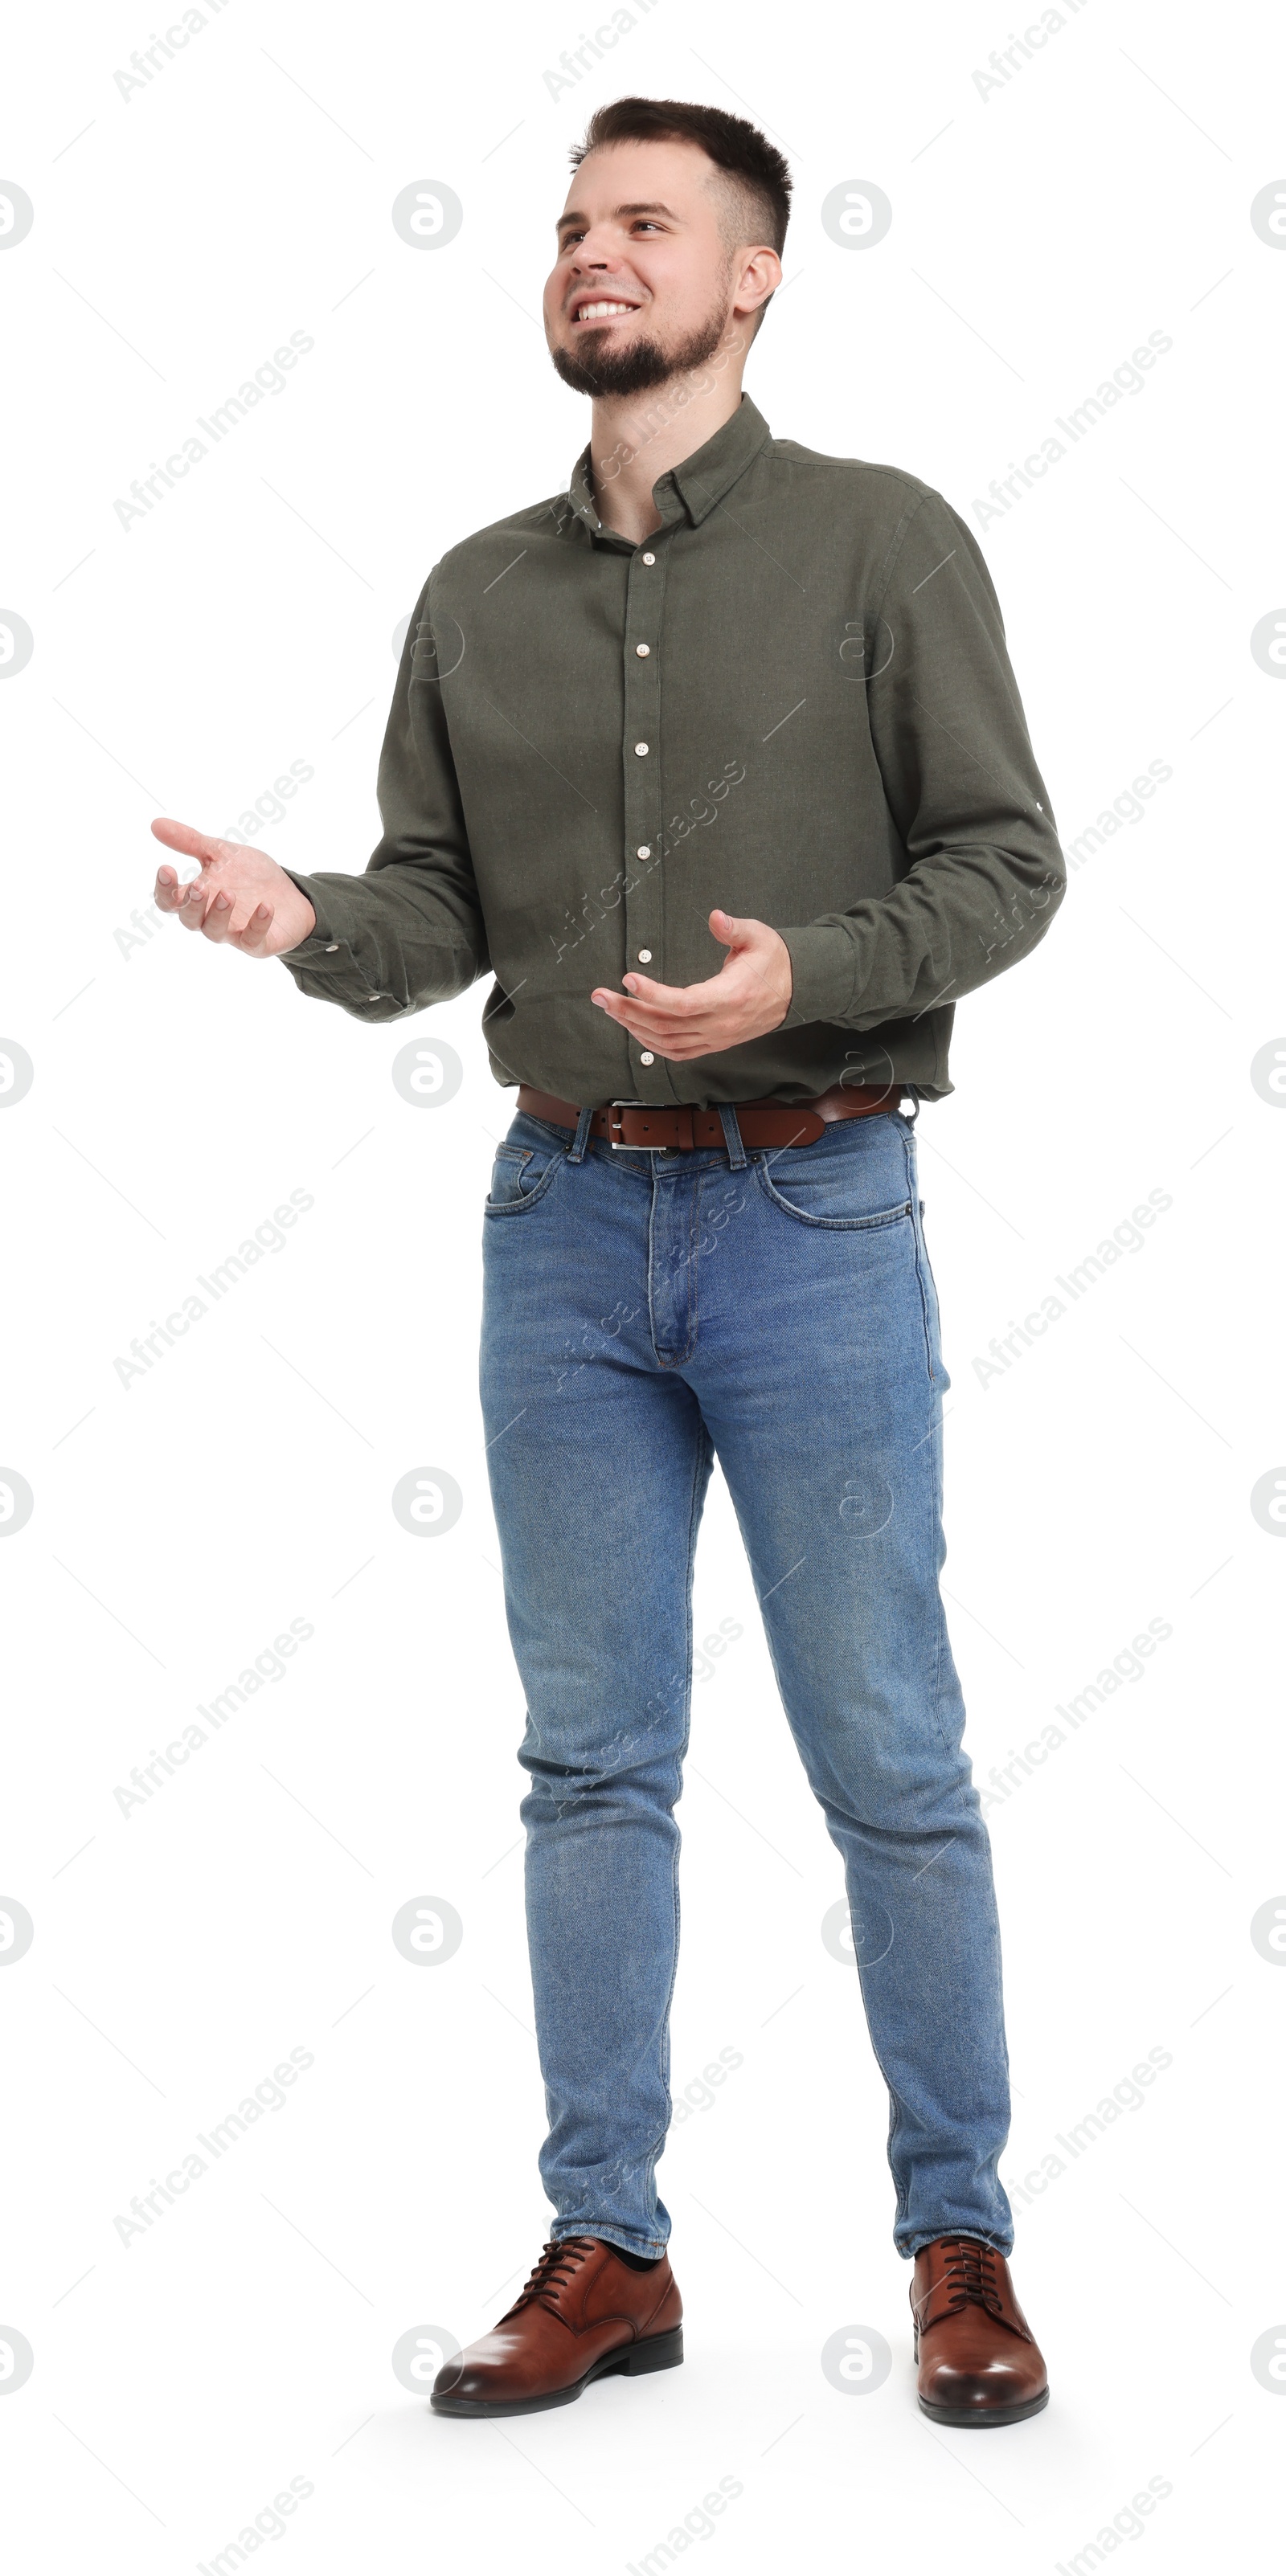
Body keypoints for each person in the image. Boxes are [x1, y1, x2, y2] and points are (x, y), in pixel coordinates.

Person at [150, 95, 1063, 2428]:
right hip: (560, 1220)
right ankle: (609, 2248)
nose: (592, 255)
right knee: (589, 1764)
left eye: (646, 225)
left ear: (755, 276)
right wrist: (307, 926)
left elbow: (1007, 862)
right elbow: (432, 908)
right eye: (572, 225)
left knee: (890, 1755)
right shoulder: (478, 590)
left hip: (815, 1212)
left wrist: (811, 977)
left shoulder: (886, 547)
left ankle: (959, 2240)